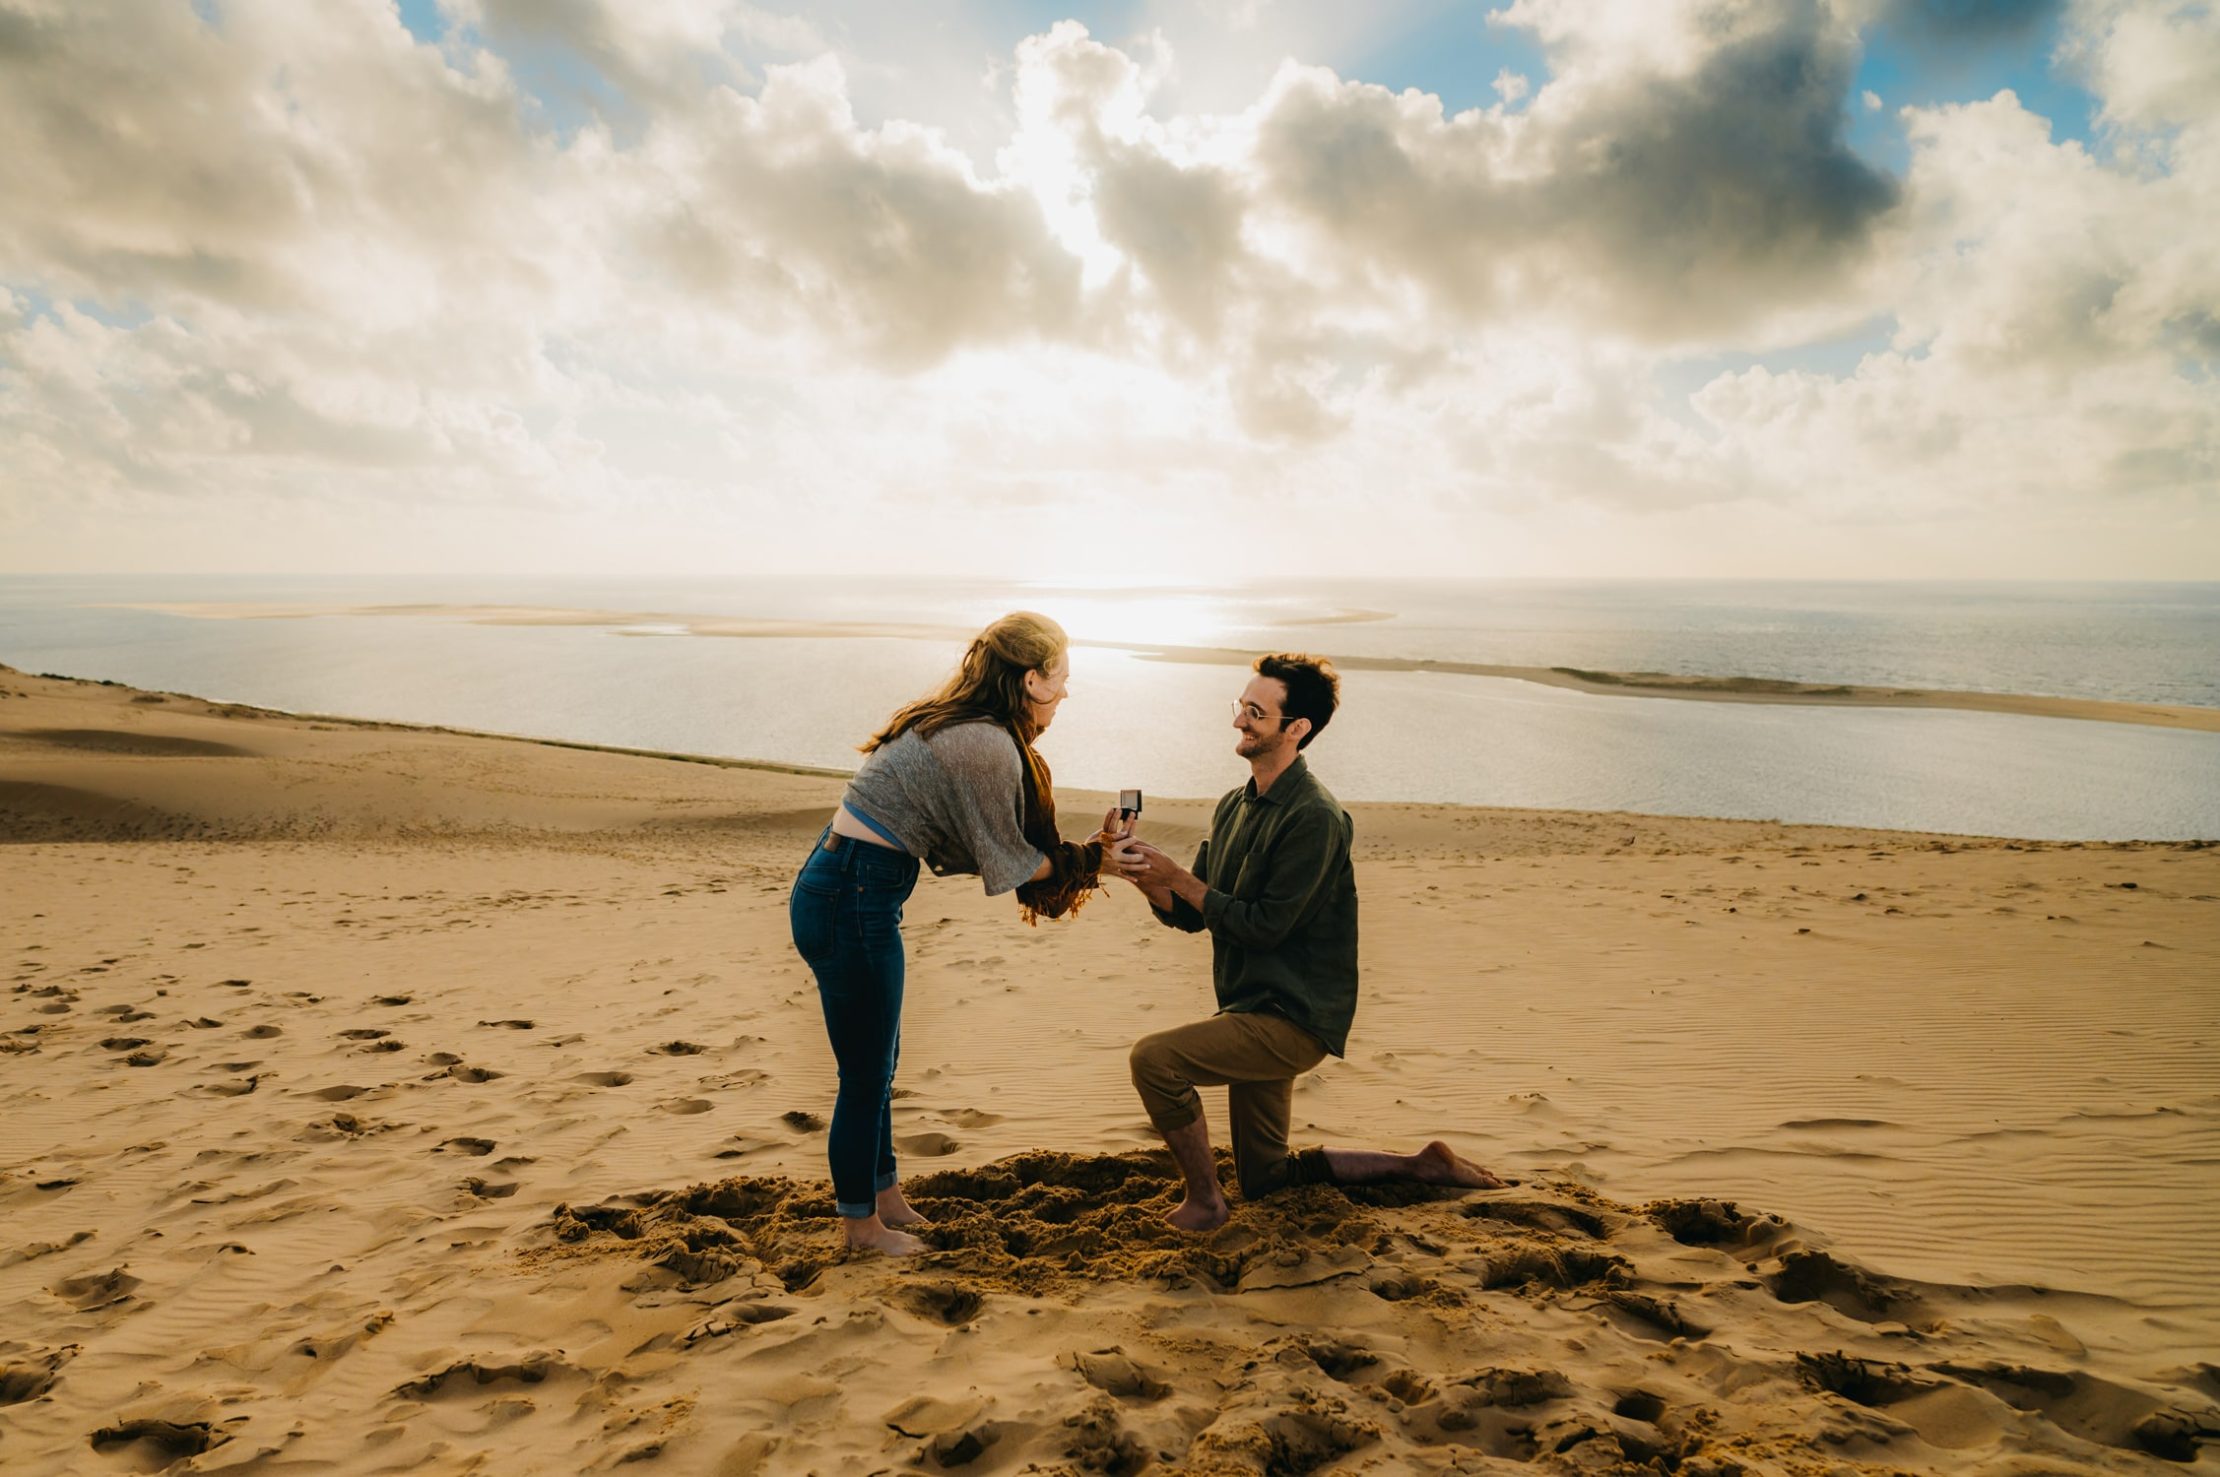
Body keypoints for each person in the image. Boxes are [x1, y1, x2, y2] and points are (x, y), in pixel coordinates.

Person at [1111, 652, 1510, 1232]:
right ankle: (1420, 1165)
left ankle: (1205, 1203)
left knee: (1154, 1060)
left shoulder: (1315, 816)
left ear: (1296, 729)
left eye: (1255, 712)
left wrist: (1180, 879)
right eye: (1239, 706)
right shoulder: (1232, 805)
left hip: (1293, 1017)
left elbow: (1266, 925)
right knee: (1267, 1178)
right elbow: (1194, 914)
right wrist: (1143, 876)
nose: (1238, 722)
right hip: (1249, 1007)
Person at [789, 611, 1125, 1256]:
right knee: (863, 1075)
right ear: (1031, 681)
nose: (1065, 696)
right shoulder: (985, 743)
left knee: (878, 1064)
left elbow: (983, 844)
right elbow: (1013, 862)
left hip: (850, 886)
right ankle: (861, 1230)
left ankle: (885, 1199)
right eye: (1061, 681)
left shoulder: (960, 722)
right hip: (851, 895)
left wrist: (1085, 855)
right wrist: (1092, 859)